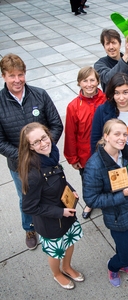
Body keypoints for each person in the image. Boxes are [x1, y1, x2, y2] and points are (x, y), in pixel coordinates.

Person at [0, 54, 63, 250]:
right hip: (20, 165)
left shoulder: (40, 94)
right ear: (4, 76)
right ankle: (29, 227)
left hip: (48, 160)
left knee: (53, 192)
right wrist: (27, 156)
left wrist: (44, 146)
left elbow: (56, 125)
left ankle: (58, 220)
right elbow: (0, 142)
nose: (17, 80)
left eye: (20, 74)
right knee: (26, 198)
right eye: (12, 76)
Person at [20, 122, 84, 290]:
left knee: (70, 241)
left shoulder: (52, 153)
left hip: (66, 212)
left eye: (44, 137)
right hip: (51, 222)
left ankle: (67, 267)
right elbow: (29, 207)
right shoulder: (33, 174)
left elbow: (59, 178)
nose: (43, 143)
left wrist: (71, 190)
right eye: (36, 142)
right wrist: (60, 211)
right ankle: (57, 274)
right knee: (55, 252)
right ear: (30, 147)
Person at [83, 119, 128, 287]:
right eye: (117, 134)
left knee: (122, 248)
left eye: (125, 134)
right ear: (106, 136)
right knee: (126, 255)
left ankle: (123, 264)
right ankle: (113, 266)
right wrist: (122, 195)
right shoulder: (95, 165)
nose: (122, 138)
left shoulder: (126, 152)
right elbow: (91, 199)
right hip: (117, 219)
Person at [91, 73, 128, 238]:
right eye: (117, 93)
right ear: (111, 93)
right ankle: (120, 220)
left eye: (125, 92)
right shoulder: (103, 111)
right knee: (118, 191)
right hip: (114, 160)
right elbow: (95, 139)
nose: (121, 97)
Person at [64, 66, 106, 219]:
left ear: (98, 81)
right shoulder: (73, 107)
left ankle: (107, 199)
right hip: (85, 154)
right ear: (79, 83)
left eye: (92, 80)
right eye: (85, 81)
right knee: (88, 181)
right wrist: (73, 158)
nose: (89, 84)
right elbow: (70, 135)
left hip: (107, 151)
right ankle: (90, 202)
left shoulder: (106, 100)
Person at [94, 29, 128, 102]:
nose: (111, 47)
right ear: (104, 47)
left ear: (120, 44)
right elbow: (109, 78)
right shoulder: (99, 64)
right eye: (107, 44)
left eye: (114, 43)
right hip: (111, 107)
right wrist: (126, 56)